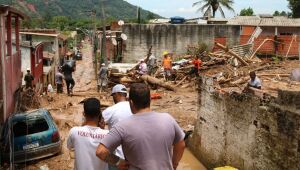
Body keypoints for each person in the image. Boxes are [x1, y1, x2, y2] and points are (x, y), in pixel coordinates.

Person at [96, 83, 185, 170]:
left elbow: (100, 152)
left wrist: (118, 162)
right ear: (150, 100)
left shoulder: (122, 126)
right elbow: (181, 145)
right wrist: (174, 164)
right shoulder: (168, 119)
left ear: (131, 102)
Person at [67, 98, 109, 170]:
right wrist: (102, 130)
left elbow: (69, 147)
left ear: (84, 114)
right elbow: (111, 156)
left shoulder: (74, 131)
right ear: (99, 114)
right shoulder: (108, 135)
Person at [102, 84, 133, 169]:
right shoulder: (134, 108)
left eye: (113, 95)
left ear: (116, 94)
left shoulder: (111, 110)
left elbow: (97, 123)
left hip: (118, 157)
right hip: (134, 155)